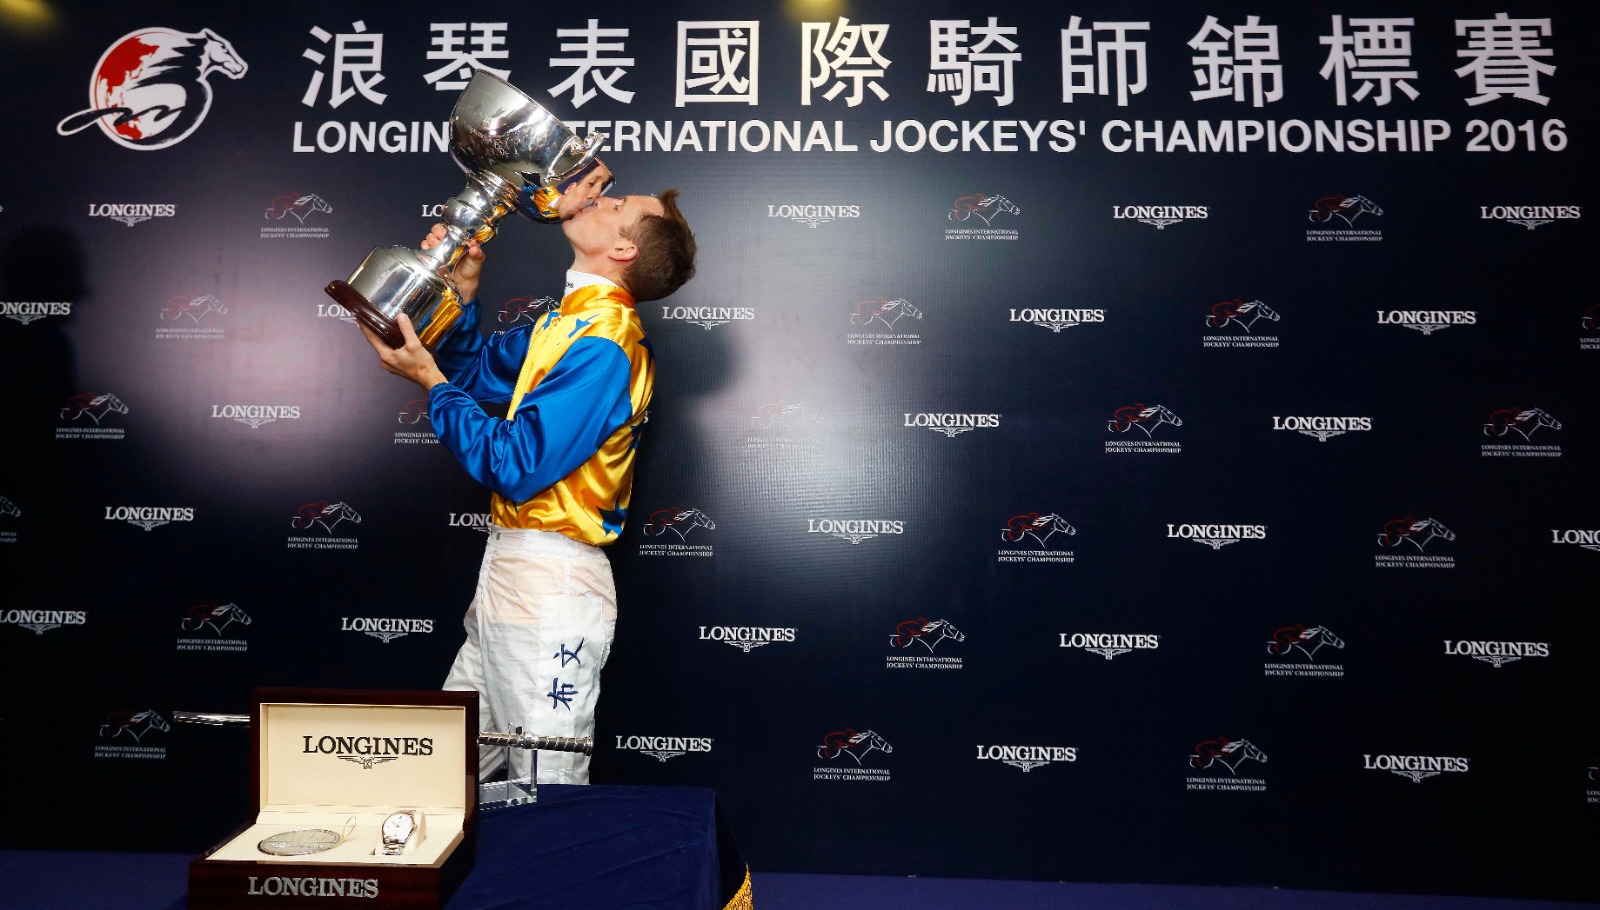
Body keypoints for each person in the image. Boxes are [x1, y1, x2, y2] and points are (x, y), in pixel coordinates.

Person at [360, 169, 696, 784]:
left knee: (547, 784)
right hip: (511, 571)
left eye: (615, 203)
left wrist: (428, 382)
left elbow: (513, 465)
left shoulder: (606, 344)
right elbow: (469, 376)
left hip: (551, 580)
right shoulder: (561, 325)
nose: (597, 197)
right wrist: (461, 295)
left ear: (622, 248)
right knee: (441, 771)